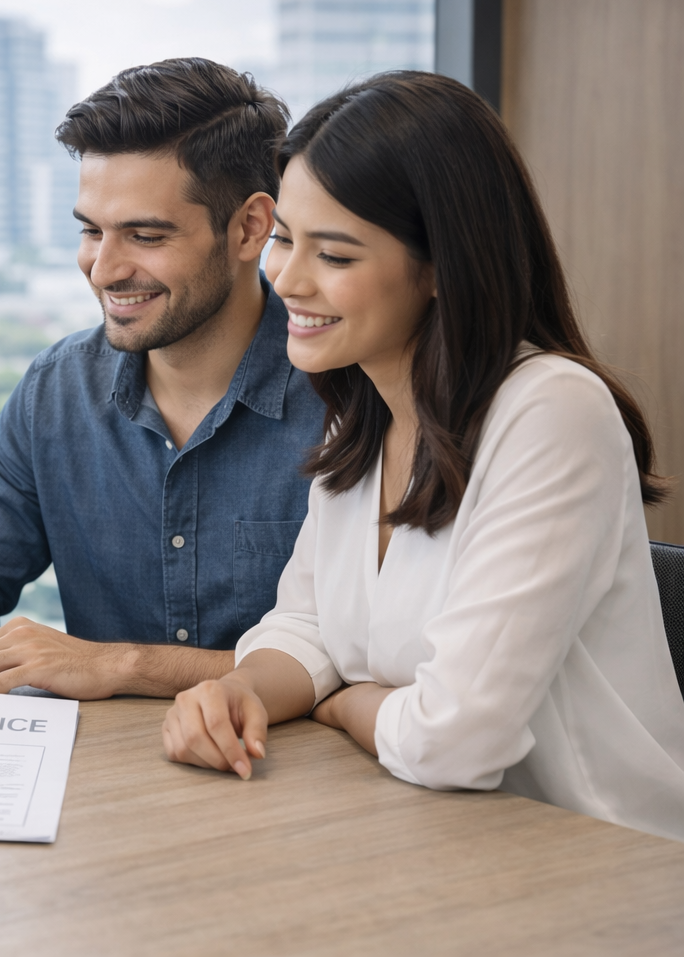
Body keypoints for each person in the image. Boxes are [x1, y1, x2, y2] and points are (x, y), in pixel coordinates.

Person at [162, 70, 684, 840]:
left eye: (334, 256)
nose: (287, 280)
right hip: (434, 837)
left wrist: (346, 705)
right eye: (282, 241)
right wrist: (243, 690)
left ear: (442, 264)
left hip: (597, 857)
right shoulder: (363, 418)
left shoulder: (551, 413)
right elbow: (306, 623)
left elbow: (453, 740)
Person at [0, 58, 327, 699]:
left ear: (251, 227)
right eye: (91, 230)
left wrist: (123, 665)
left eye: (144, 235)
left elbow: (362, 656)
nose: (104, 268)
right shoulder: (59, 390)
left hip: (309, 787)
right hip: (104, 784)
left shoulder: (349, 395)